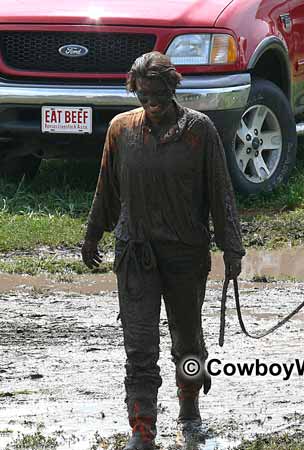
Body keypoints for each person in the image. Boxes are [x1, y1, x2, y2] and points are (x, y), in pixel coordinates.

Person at [81, 51, 245, 450]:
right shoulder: (121, 130)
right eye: (142, 94)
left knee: (187, 339)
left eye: (157, 93)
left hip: (185, 255)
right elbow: (107, 187)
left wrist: (232, 248)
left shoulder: (199, 132)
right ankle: (142, 429)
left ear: (172, 89)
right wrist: (93, 234)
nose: (150, 102)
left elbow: (221, 192)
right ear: (134, 91)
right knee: (139, 347)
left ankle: (189, 404)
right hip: (134, 253)